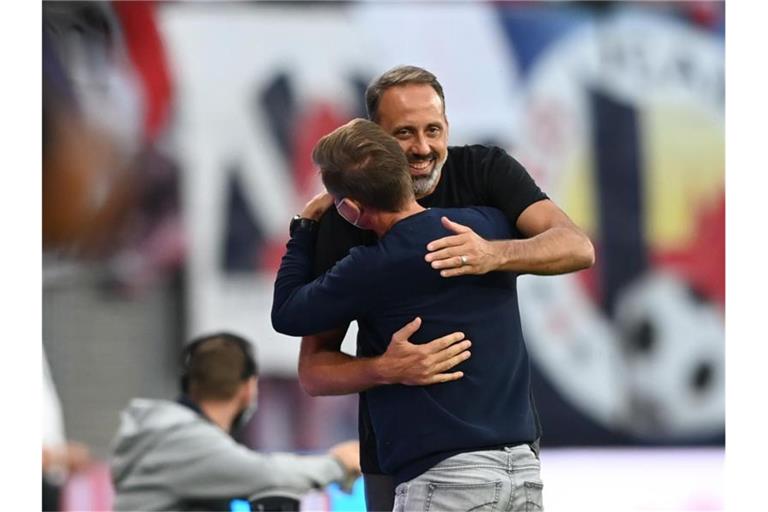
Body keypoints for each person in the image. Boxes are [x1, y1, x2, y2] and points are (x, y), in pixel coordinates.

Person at [294, 65, 594, 510]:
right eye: (404, 133)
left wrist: (494, 256)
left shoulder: (485, 172)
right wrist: (385, 368)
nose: (422, 148)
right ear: (375, 138)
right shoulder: (348, 216)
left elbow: (577, 247)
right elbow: (313, 370)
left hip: (513, 456)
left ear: (448, 127)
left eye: (433, 130)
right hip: (399, 466)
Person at [110, 332, 360, 511]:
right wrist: (337, 464)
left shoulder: (166, 433)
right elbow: (265, 474)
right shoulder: (183, 439)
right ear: (248, 388)